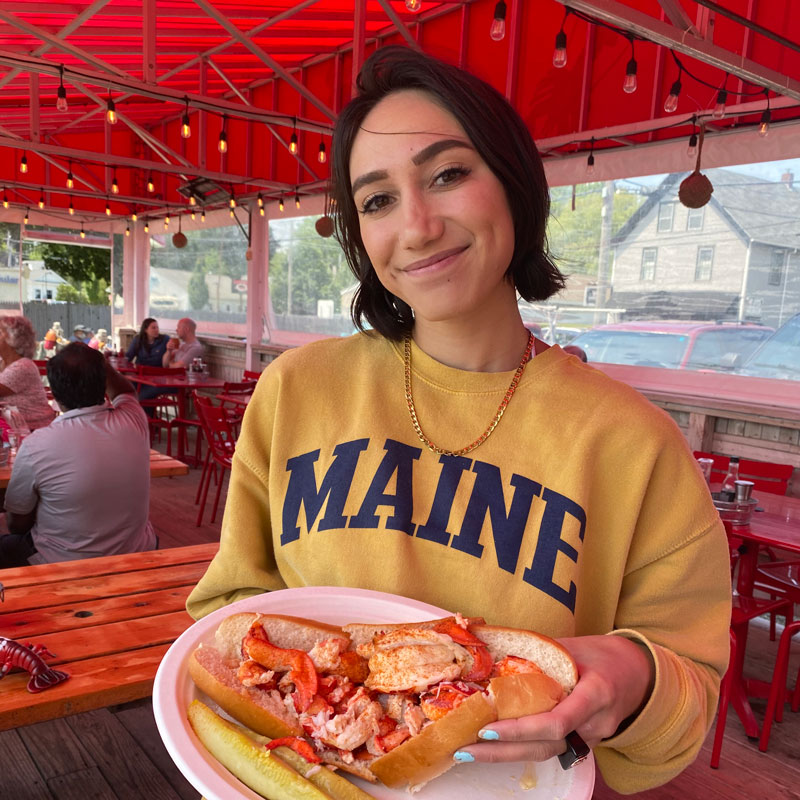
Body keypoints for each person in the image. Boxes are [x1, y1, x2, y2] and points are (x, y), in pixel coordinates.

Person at [186, 47, 730, 794]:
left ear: (512, 181)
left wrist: (636, 674)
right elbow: (225, 610)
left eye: (447, 174)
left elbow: (686, 703)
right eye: (377, 201)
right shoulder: (296, 390)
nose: (416, 226)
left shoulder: (634, 443)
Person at [0, 343, 157, 567]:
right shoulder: (134, 419)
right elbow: (125, 391)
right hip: (137, 554)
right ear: (104, 382)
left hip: (62, 563)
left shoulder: (37, 445)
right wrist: (99, 362)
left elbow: (16, 523)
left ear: (54, 393)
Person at [0, 315, 56, 431]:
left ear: (14, 339)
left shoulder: (23, 366)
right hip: (16, 431)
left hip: (34, 431)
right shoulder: (3, 363)